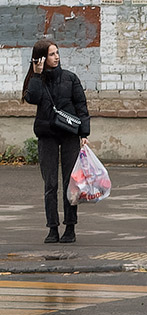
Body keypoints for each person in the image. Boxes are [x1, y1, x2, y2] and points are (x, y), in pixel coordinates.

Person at [21, 39, 91, 244]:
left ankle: (70, 227)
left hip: (69, 134)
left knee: (70, 183)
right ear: (42, 57)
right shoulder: (37, 80)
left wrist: (84, 134)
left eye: (57, 53)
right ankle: (52, 228)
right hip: (47, 135)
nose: (56, 57)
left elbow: (81, 106)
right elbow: (31, 98)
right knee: (50, 184)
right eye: (51, 54)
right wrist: (36, 73)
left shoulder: (70, 78)